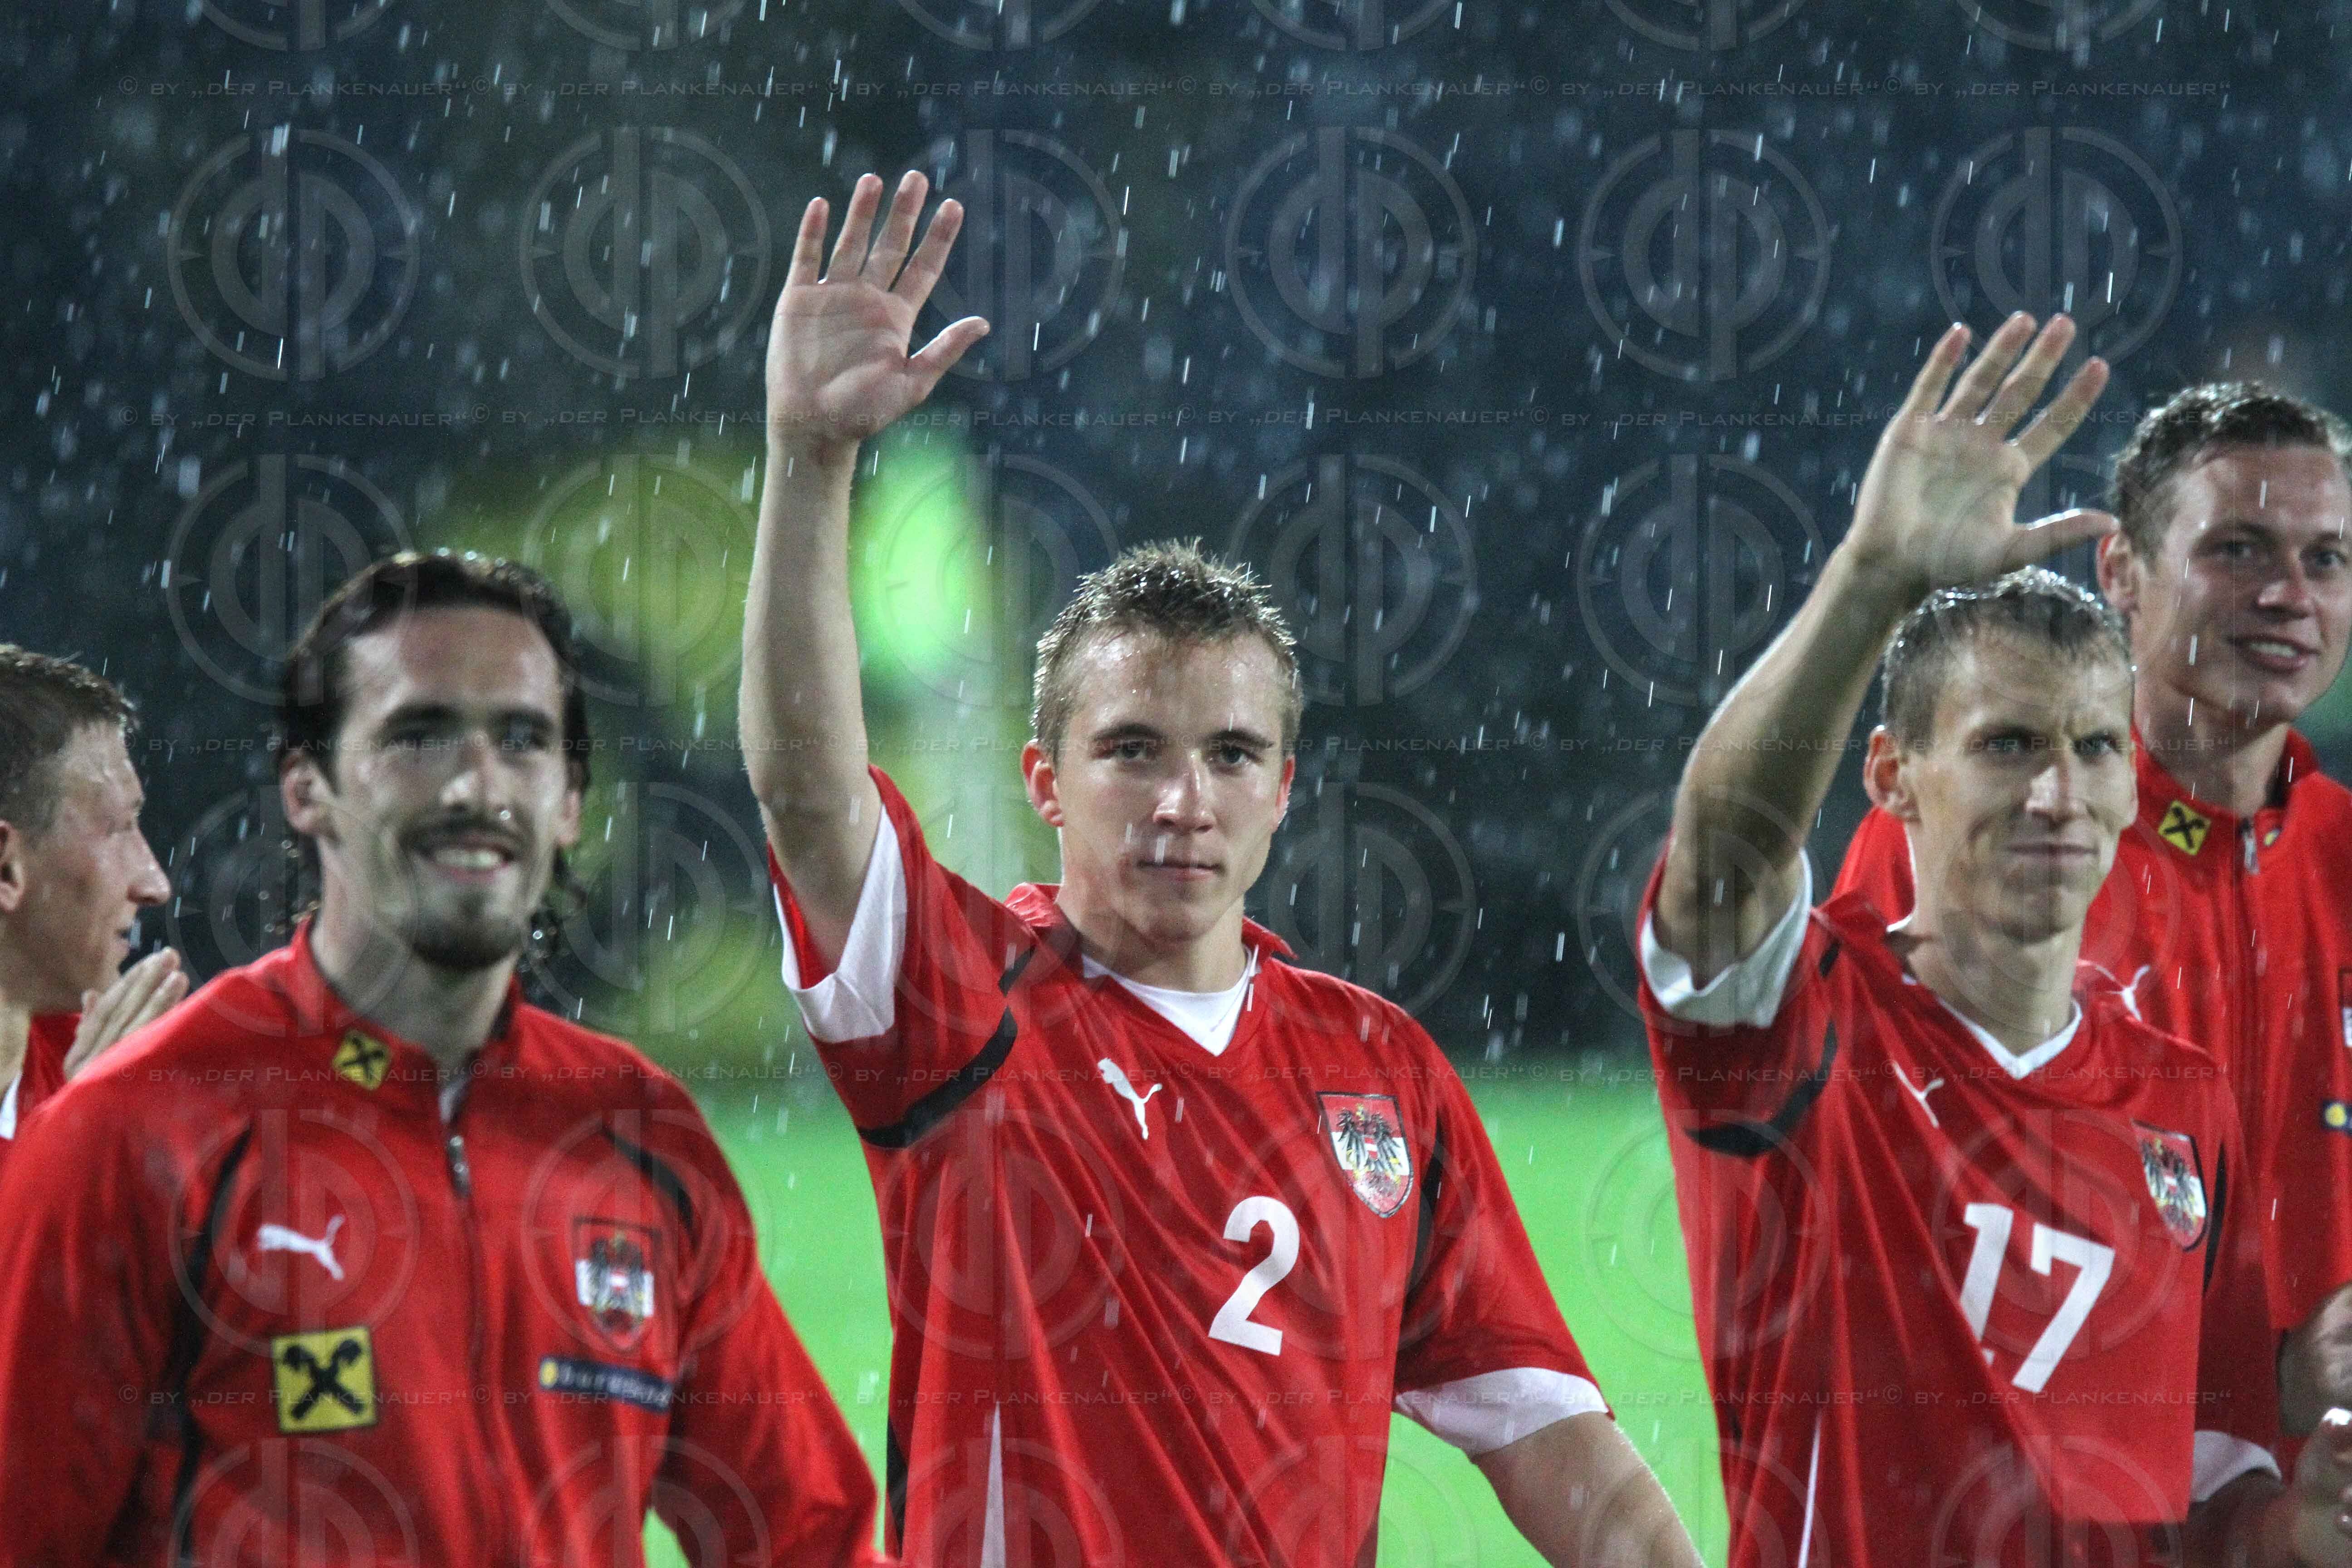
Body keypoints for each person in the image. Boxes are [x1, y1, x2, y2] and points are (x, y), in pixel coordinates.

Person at [740, 168, 1701, 1567]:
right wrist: (810, 458)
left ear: (1284, 791)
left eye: (1233, 755)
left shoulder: (1382, 1074)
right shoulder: (957, 1002)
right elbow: (805, 787)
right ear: (1044, 783)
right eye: (1132, 750)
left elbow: (1549, 1435)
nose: (1185, 800)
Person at [1640, 313, 2352, 1565]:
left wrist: (2292, 1512)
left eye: (2089, 750)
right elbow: (1724, 870)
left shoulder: (2177, 1098)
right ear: (1892, 778)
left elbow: (2199, 1473)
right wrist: (1872, 577)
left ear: (2124, 785)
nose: (2053, 794)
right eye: (2007, 745)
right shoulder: (1823, 1019)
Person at [0, 555, 879, 1567]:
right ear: (308, 788)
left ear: (569, 803)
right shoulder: (134, 1136)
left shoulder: (640, 1134)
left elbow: (809, 1541)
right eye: (418, 737)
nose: (476, 786)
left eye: (522, 740)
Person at [1828, 382, 2352, 1435]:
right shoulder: (1977, 837)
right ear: (2119, 570)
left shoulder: (2339, 855)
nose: (2289, 594)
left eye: (2326, 558)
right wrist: (2253, 1386)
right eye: (2238, 549)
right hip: (2047, 1492)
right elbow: (1863, 1220)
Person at [0, 645, 186, 1170]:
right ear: (6, 870)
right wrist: (81, 1149)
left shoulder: (94, 1051)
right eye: (119, 828)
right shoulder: (96, 1091)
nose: (155, 884)